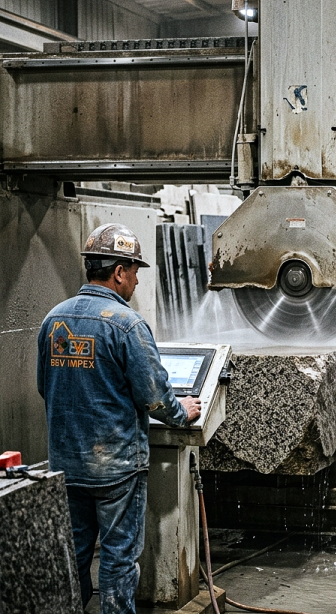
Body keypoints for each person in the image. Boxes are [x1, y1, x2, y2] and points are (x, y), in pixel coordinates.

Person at [37, 224, 201, 614]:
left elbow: (46, 387)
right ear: (118, 272)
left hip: (67, 465)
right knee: (117, 561)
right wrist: (183, 413)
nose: (137, 280)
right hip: (117, 471)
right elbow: (156, 398)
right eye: (134, 270)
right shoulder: (127, 325)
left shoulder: (53, 320)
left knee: (74, 557)